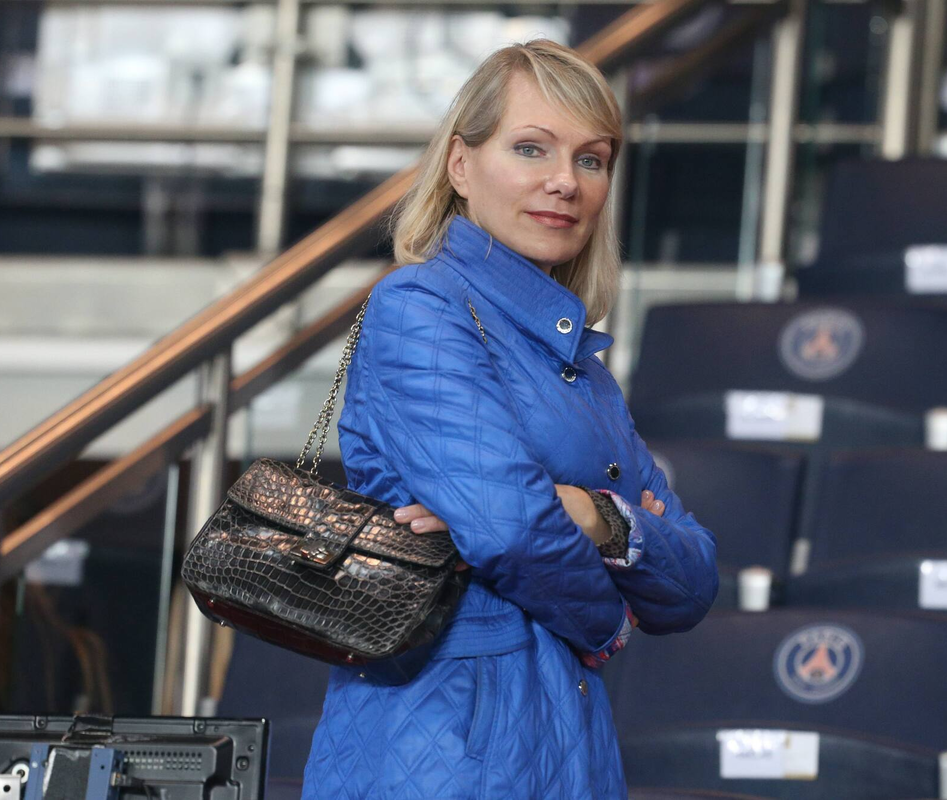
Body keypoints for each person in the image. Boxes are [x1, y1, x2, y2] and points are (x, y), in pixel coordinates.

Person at [302, 39, 719, 800]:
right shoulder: (418, 307)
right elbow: (511, 527)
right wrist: (611, 622)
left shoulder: (577, 359)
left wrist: (593, 516)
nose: (565, 181)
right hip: (444, 743)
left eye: (591, 160)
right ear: (460, 165)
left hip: (571, 745)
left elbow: (693, 581)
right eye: (531, 148)